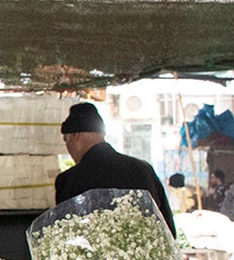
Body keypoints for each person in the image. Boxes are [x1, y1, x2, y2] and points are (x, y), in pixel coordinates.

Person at [55, 101, 176, 236]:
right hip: (147, 254)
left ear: (76, 136)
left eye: (66, 140)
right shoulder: (143, 169)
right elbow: (168, 230)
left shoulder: (69, 180)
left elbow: (67, 237)